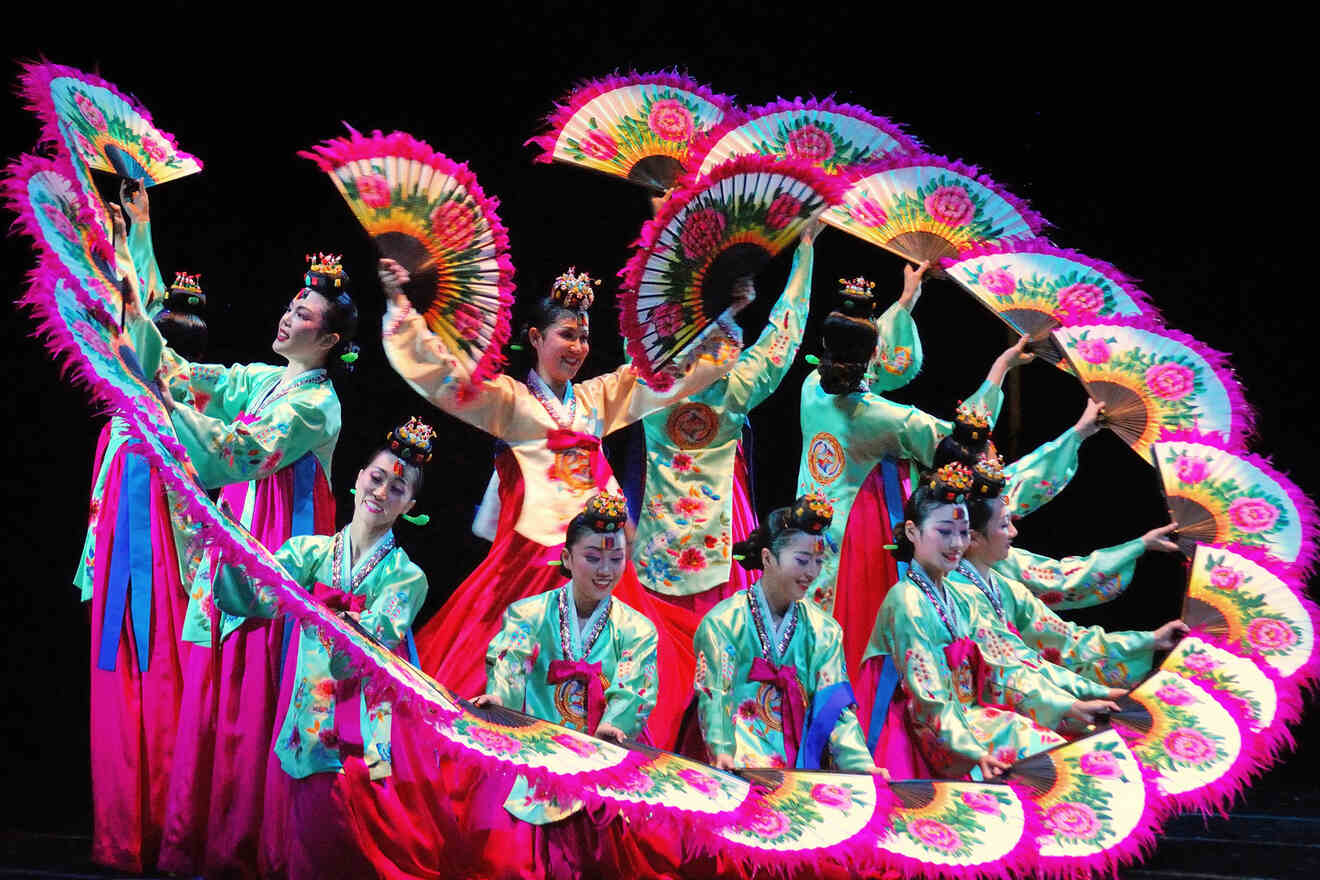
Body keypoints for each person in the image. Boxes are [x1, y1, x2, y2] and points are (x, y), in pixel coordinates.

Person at [381, 259, 742, 745]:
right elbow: (447, 378)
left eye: (584, 337)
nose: (577, 348)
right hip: (531, 563)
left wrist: (723, 318)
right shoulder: (509, 401)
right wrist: (400, 307)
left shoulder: (596, 400)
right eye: (566, 335)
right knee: (495, 690)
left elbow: (660, 378)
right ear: (534, 338)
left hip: (598, 561)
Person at [111, 202, 358, 876]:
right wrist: (135, 263)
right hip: (234, 551)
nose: (290, 316)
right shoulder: (262, 379)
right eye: (292, 304)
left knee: (256, 703)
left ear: (329, 341)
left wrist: (169, 412)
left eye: (306, 315)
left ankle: (250, 846)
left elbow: (240, 451)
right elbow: (181, 373)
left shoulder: (316, 402)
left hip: (278, 564)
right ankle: (204, 840)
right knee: (216, 698)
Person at [213, 419, 433, 880]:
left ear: (409, 506)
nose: (381, 492)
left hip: (367, 732)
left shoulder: (407, 577)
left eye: (398, 488)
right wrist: (231, 552)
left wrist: (321, 614)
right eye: (377, 477)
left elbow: (364, 649)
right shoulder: (306, 552)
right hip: (306, 716)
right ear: (357, 478)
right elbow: (251, 598)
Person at [795, 261, 1033, 676]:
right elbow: (965, 438)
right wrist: (1000, 368)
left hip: (808, 533)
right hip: (860, 541)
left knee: (812, 636)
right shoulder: (884, 418)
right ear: (874, 352)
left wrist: (906, 300)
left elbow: (868, 365)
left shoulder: (812, 388)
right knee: (861, 636)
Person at [77, 182, 209, 871]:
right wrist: (133, 234)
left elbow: (140, 315)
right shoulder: (130, 419)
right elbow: (135, 307)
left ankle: (162, 826)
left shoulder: (179, 412)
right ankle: (132, 828)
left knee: (160, 666)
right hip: (132, 514)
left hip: (164, 529)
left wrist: (133, 239)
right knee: (133, 666)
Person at [870, 464, 1121, 780]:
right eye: (944, 532)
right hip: (936, 732)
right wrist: (975, 752)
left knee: (1075, 747)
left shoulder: (958, 594)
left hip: (970, 716)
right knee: (1052, 761)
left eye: (961, 533)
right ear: (912, 532)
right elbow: (929, 701)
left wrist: (1069, 705)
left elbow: (1004, 666)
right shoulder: (906, 601)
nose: (956, 544)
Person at [468, 492, 662, 879]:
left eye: (616, 558)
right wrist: (500, 699)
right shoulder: (528, 614)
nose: (605, 569)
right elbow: (511, 663)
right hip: (537, 754)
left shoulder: (637, 629)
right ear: (568, 559)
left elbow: (632, 687)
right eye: (592, 557)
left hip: (602, 758)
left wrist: (615, 726)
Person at [633, 220, 820, 614]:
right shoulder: (735, 389)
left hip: (655, 545)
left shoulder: (648, 381)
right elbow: (784, 336)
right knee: (727, 633)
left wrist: (666, 230)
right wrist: (804, 250)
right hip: (722, 527)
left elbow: (645, 313)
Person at [953, 447, 1189, 689]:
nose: (1014, 531)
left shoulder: (1006, 588)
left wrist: (1148, 640)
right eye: (1005, 525)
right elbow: (1015, 671)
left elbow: (1066, 639)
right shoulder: (955, 595)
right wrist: (1082, 698)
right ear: (973, 537)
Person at [693, 494, 884, 775]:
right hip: (738, 760)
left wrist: (861, 765)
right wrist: (721, 751)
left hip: (801, 764)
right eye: (802, 560)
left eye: (819, 561)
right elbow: (715, 693)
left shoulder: (824, 631)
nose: (812, 572)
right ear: (768, 558)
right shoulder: (724, 622)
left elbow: (836, 707)